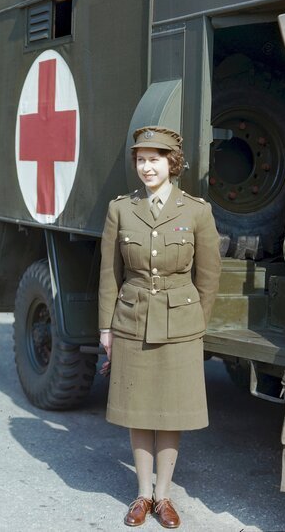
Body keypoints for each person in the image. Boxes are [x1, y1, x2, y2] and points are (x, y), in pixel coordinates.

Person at [98, 126, 221, 528]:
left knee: (171, 412)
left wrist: (195, 323)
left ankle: (164, 496)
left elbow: (209, 276)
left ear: (172, 163)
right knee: (138, 409)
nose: (146, 167)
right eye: (140, 160)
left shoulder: (196, 211)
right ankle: (142, 494)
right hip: (132, 319)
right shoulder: (121, 209)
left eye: (154, 160)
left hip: (180, 323)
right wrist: (105, 329)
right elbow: (109, 275)